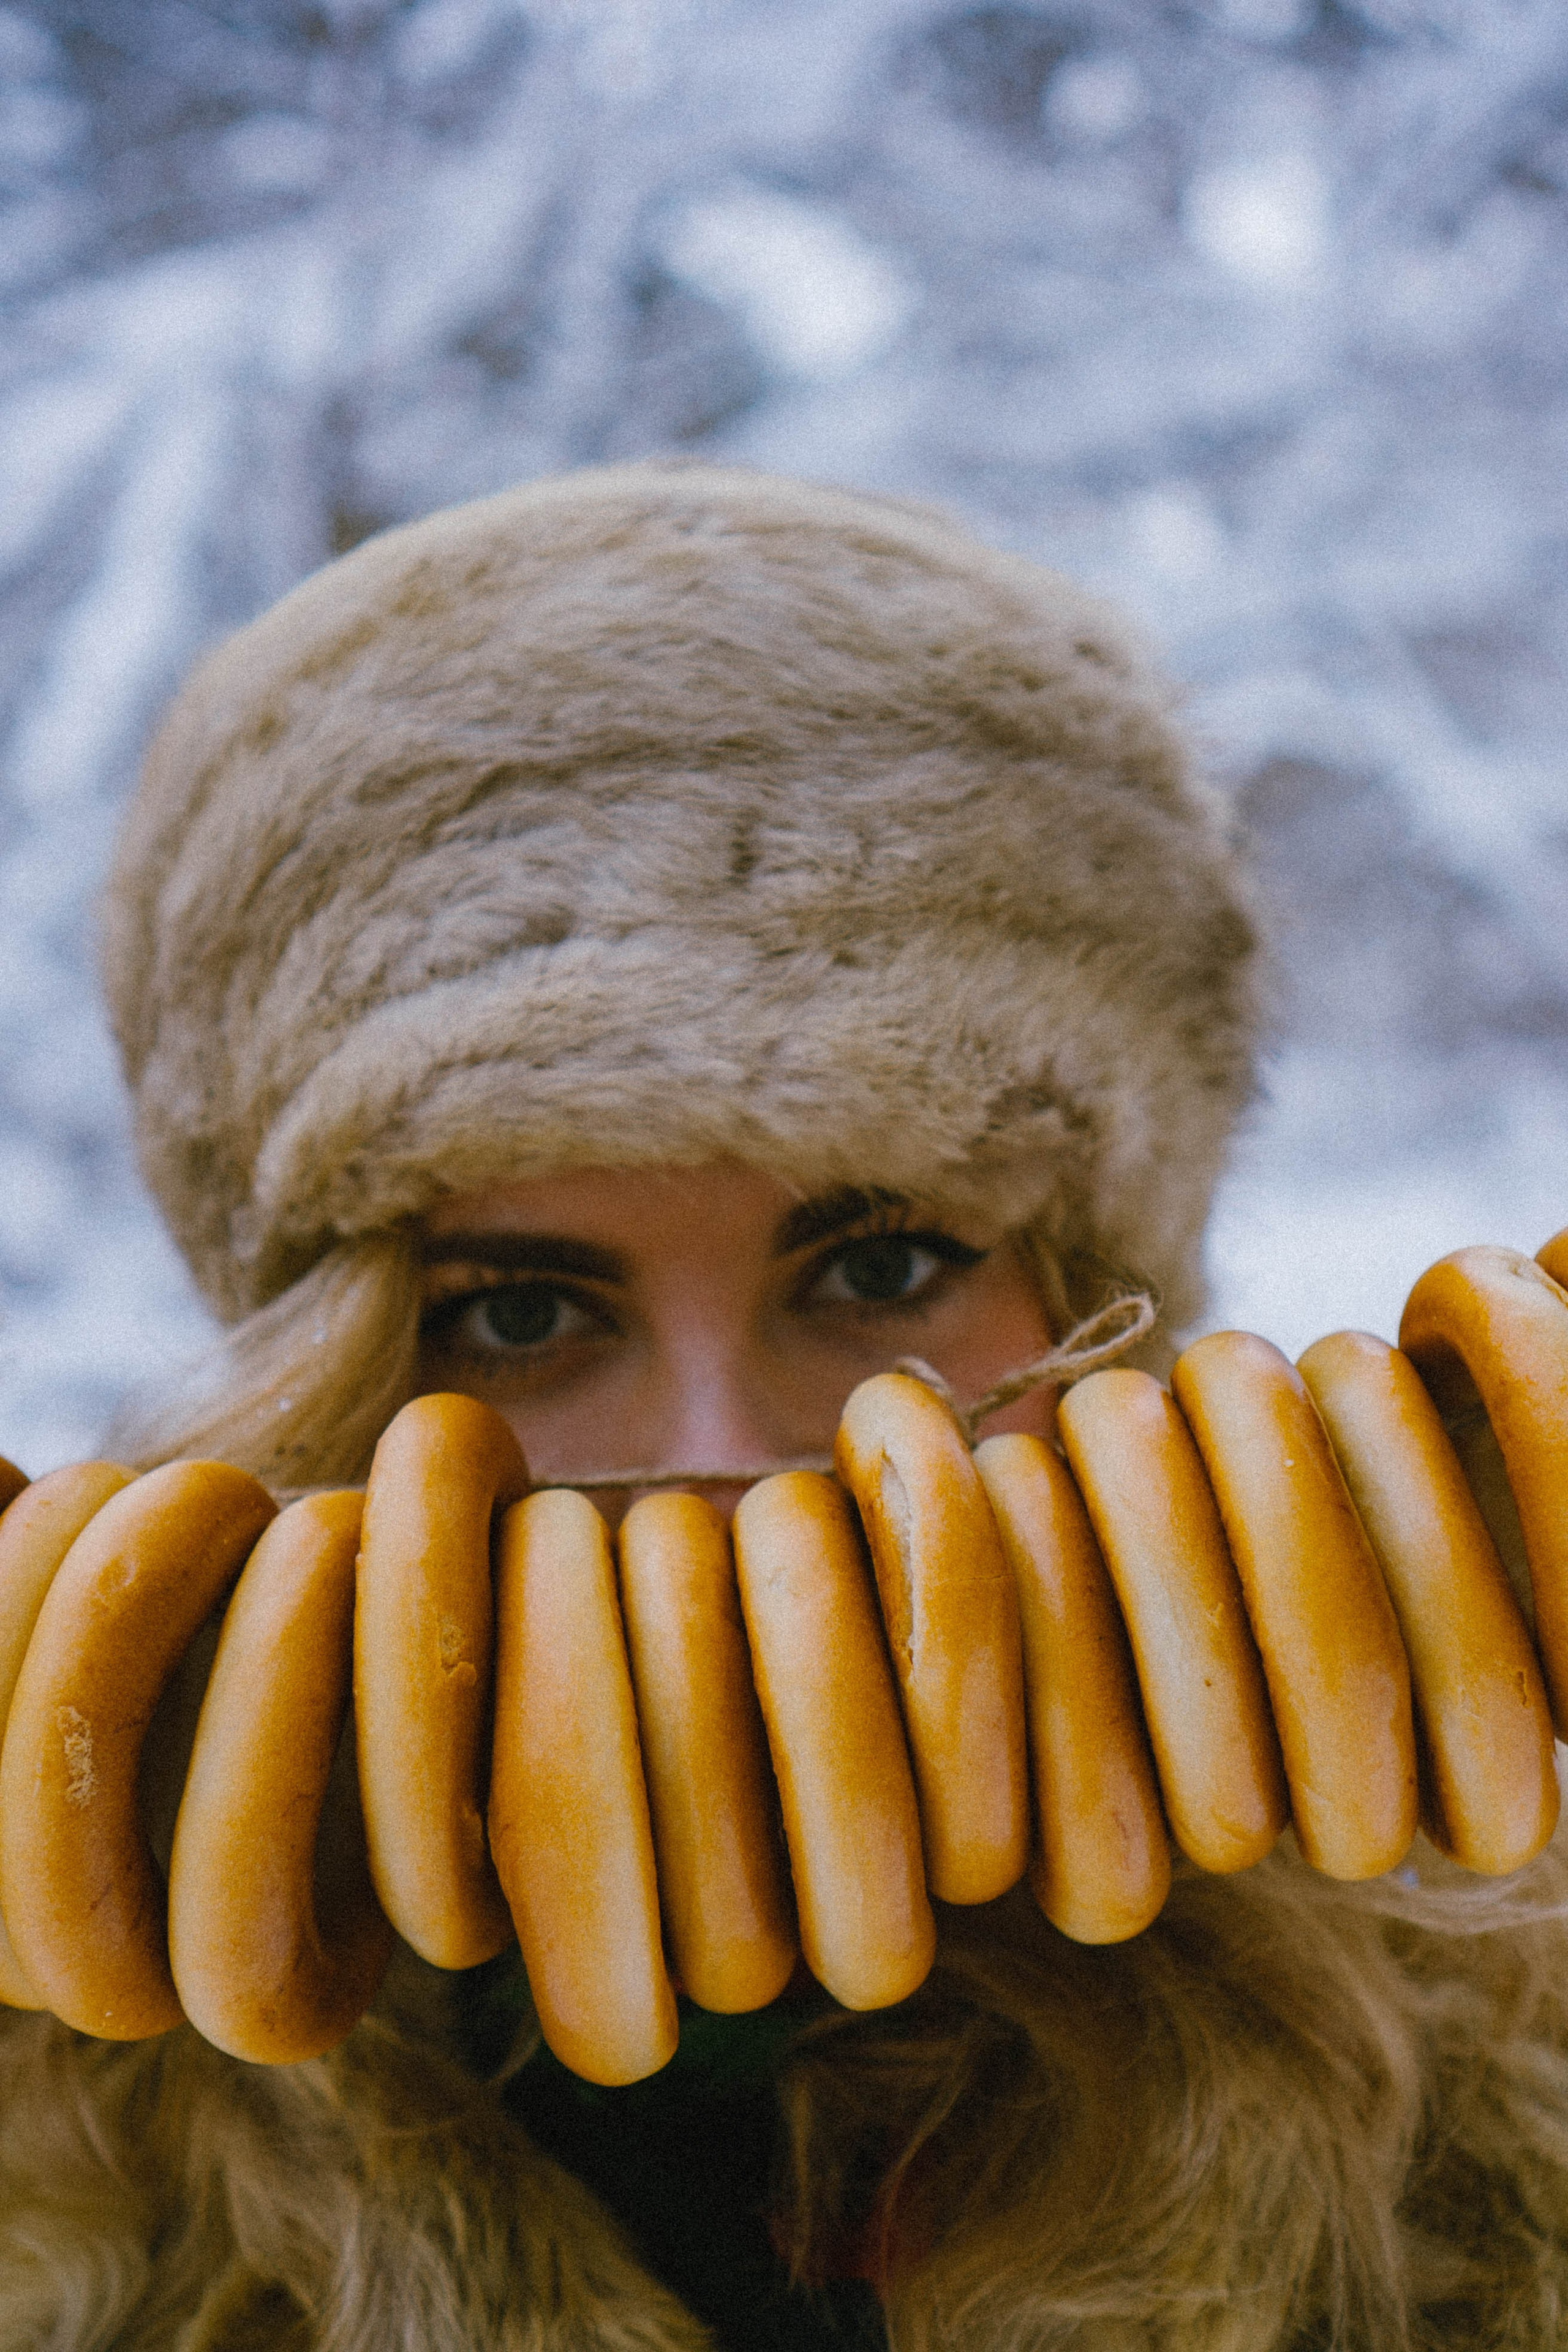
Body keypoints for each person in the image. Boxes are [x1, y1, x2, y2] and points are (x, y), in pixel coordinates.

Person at [2, 461, 1566, 2351]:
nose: (729, 1462)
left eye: (885, 1271)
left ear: (1101, 1301)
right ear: (326, 1375)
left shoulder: (1506, 2046)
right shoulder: (73, 2139)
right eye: (517, 1309)